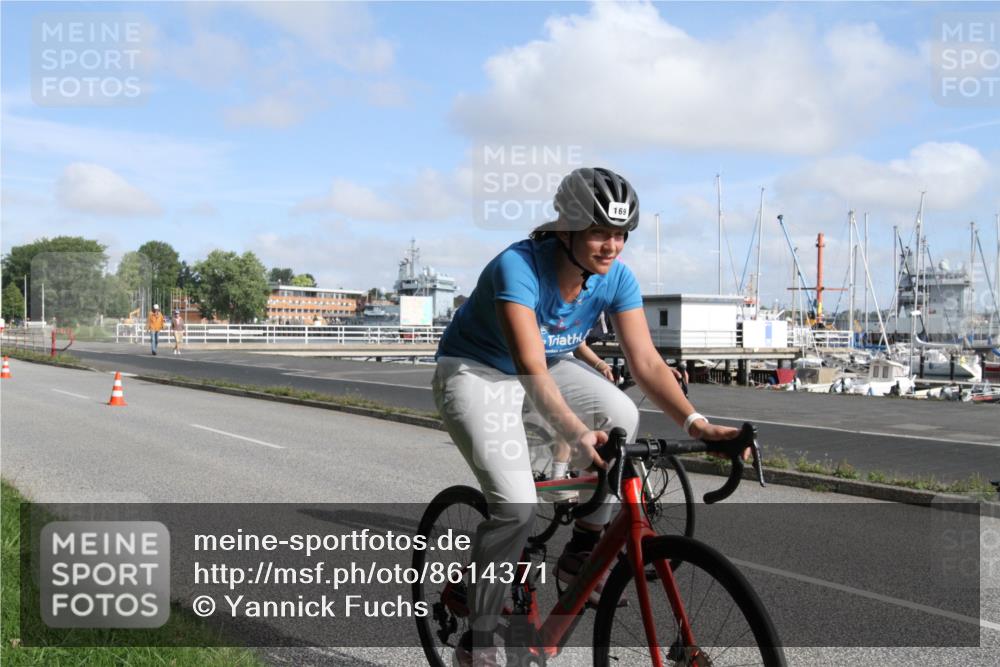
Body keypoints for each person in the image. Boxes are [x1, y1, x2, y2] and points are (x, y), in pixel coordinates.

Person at [433, 166, 740, 666]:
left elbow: (644, 363)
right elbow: (531, 367)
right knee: (515, 506)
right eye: (599, 231)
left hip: (544, 369)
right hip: (476, 371)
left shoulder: (615, 278)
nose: (612, 245)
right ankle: (480, 637)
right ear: (566, 228)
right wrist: (575, 434)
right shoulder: (519, 267)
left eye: (621, 234)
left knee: (620, 410)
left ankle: (584, 542)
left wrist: (697, 423)